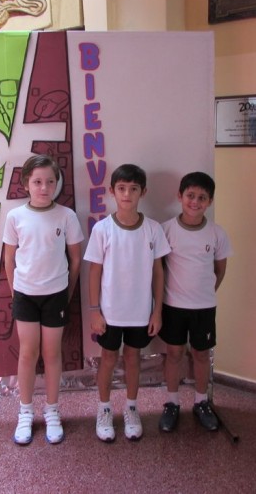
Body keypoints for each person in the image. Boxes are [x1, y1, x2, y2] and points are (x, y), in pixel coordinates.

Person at [84, 164, 171, 442]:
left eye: (133, 189)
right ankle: (104, 409)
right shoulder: (103, 229)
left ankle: (132, 409)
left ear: (142, 192)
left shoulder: (153, 229)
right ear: (112, 191)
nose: (127, 194)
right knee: (109, 358)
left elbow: (159, 272)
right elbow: (94, 272)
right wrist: (95, 311)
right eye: (121, 188)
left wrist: (157, 311)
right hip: (110, 313)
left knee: (134, 358)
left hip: (140, 312)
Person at [3, 154, 84, 445]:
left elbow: (76, 259)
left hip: (56, 295)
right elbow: (9, 259)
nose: (44, 187)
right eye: (37, 182)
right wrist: (16, 292)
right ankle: (25, 412)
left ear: (57, 184)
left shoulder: (66, 216)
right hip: (25, 295)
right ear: (26, 183)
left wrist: (68, 292)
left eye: (50, 182)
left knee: (51, 354)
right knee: (28, 353)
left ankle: (52, 410)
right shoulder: (15, 217)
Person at [158, 172, 232, 432]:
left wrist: (205, 294)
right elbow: (158, 269)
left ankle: (201, 402)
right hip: (173, 306)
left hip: (204, 307)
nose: (195, 202)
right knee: (174, 354)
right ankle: (172, 403)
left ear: (209, 201)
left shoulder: (217, 233)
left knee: (201, 354)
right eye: (190, 195)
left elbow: (220, 270)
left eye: (202, 197)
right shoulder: (166, 230)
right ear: (180, 196)